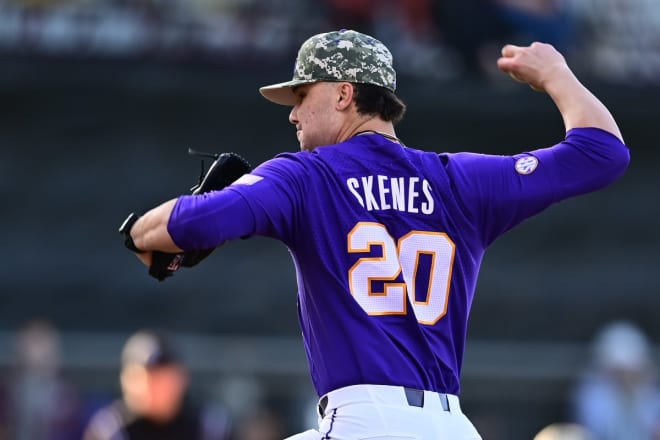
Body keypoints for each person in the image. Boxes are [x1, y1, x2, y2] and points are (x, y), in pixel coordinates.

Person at [121, 29, 630, 438]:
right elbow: (602, 153)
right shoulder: (460, 181)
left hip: (364, 420)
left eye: (302, 94)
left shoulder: (305, 176)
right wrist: (558, 75)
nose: (293, 113)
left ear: (345, 94)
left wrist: (140, 235)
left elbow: (185, 223)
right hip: (451, 426)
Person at [83, 329, 229, 440]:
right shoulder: (110, 430)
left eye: (163, 377)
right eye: (145, 377)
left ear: (182, 378)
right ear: (126, 380)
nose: (153, 386)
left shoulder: (208, 427)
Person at [572, 321, 660, 440]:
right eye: (620, 371)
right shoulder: (591, 391)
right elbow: (597, 429)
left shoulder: (649, 388)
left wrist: (633, 397)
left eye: (632, 371)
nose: (627, 376)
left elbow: (652, 427)